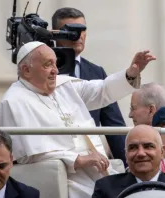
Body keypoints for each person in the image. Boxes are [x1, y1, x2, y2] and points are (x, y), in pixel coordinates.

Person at [0, 41, 156, 197]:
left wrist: (131, 73)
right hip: (66, 176)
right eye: (47, 65)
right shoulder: (12, 102)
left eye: (55, 64)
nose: (55, 71)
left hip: (98, 168)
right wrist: (77, 160)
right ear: (26, 70)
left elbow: (102, 91)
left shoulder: (64, 85)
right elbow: (26, 155)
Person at [51, 7, 127, 163]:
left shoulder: (96, 72)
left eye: (82, 29)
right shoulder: (42, 70)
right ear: (55, 33)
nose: (78, 35)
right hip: (57, 158)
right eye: (71, 30)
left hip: (93, 160)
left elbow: (113, 126)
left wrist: (129, 167)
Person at [92, 125, 165, 198]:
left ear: (162, 151)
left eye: (148, 146)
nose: (141, 153)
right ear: (126, 155)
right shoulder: (105, 188)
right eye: (133, 147)